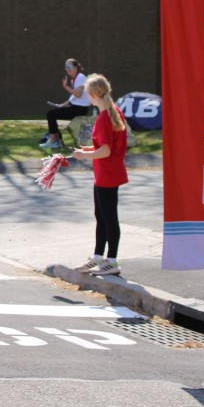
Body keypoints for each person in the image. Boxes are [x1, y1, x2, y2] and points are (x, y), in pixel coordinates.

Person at [71, 73, 128, 277]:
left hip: (107, 174)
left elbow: (105, 151)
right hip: (107, 173)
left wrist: (84, 155)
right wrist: (87, 150)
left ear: (93, 94)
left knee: (109, 217)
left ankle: (112, 261)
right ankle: (98, 256)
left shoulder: (105, 118)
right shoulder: (114, 112)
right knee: (101, 216)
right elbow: (106, 146)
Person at [40, 58, 91, 149]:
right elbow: (73, 98)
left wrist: (66, 87)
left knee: (50, 114)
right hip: (76, 107)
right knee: (51, 113)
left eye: (69, 66)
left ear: (76, 67)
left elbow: (78, 94)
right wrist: (61, 105)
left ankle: (54, 141)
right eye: (66, 67)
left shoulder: (81, 77)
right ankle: (56, 140)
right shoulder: (74, 80)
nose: (67, 69)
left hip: (80, 109)